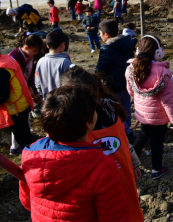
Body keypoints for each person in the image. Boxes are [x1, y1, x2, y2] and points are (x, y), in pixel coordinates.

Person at [19, 86, 130, 222]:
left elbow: (26, 201)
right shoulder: (103, 167)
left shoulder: (30, 155)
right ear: (88, 123)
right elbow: (115, 217)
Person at [60, 67, 144, 222]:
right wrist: (133, 162)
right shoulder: (111, 105)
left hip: (102, 178)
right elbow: (123, 139)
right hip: (119, 170)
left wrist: (133, 162)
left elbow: (122, 139)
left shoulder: (77, 118)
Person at [126, 35, 173, 179]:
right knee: (157, 142)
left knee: (142, 135)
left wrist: (140, 104)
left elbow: (131, 92)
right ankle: (157, 170)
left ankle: (129, 163)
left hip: (143, 114)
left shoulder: (131, 69)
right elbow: (168, 101)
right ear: (158, 53)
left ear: (138, 50)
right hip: (158, 117)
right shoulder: (163, 73)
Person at [96, 19, 137, 141]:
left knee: (115, 110)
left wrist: (95, 78)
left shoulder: (106, 48)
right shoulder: (127, 42)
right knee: (125, 107)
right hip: (127, 82)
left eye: (100, 34)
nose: (100, 36)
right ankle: (127, 128)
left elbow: (101, 69)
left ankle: (127, 134)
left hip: (113, 85)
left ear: (106, 34)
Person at [1, 48, 39, 156]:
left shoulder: (1, 69)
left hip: (15, 107)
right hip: (21, 103)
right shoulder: (6, 60)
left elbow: (2, 95)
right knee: (24, 134)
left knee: (23, 137)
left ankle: (35, 157)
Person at [35, 30, 71, 99]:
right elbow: (70, 84)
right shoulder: (65, 62)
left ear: (47, 46)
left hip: (47, 100)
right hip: (62, 101)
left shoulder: (40, 61)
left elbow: (38, 83)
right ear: (62, 45)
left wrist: (42, 95)